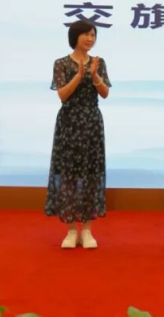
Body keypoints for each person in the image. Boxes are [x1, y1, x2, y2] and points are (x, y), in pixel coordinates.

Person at [46, 20, 111, 249]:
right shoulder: (61, 63)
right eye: (86, 34)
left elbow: (105, 93)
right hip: (69, 122)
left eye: (93, 35)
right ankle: (72, 230)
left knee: (91, 175)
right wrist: (79, 75)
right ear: (75, 37)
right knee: (69, 175)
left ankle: (88, 230)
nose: (90, 39)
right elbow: (62, 95)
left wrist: (94, 76)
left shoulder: (99, 62)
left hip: (91, 121)